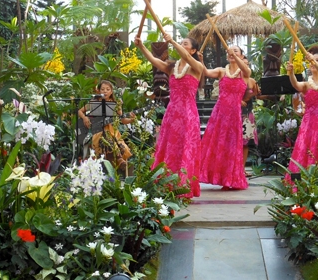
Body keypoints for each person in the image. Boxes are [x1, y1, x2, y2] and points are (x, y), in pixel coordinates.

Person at [134, 33, 204, 198]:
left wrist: (171, 41)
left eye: (185, 43)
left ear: (193, 50)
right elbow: (154, 61)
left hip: (188, 114)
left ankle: (183, 186)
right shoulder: (172, 67)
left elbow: (185, 55)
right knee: (169, 148)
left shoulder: (197, 68)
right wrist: (142, 46)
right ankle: (166, 183)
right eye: (181, 43)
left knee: (184, 148)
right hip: (172, 113)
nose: (182, 45)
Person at [199, 46, 251, 190]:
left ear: (241, 56)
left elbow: (246, 70)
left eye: (236, 51)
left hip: (234, 114)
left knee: (232, 146)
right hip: (220, 113)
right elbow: (206, 72)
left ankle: (231, 178)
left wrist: (238, 59)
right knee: (218, 144)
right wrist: (201, 60)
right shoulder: (222, 71)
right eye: (230, 51)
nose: (232, 53)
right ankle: (219, 176)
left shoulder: (244, 73)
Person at [78, 80, 134, 175]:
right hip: (97, 131)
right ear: (98, 91)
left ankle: (120, 167)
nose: (105, 91)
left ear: (111, 91)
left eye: (108, 89)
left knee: (122, 147)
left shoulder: (116, 103)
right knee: (108, 142)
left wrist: (131, 120)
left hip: (112, 131)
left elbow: (122, 120)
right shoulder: (94, 102)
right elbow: (79, 111)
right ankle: (120, 163)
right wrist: (84, 118)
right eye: (102, 89)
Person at [241, 55, 260, 171]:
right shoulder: (234, 79)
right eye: (244, 64)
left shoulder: (252, 81)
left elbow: (258, 95)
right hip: (236, 112)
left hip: (247, 114)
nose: (246, 66)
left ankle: (242, 169)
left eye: (247, 64)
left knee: (245, 142)